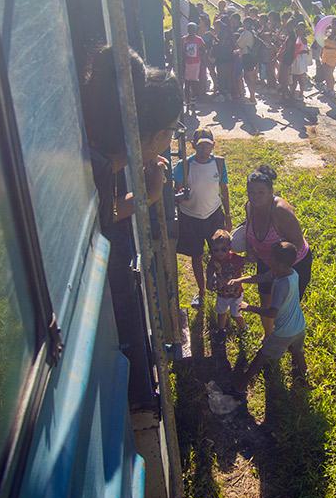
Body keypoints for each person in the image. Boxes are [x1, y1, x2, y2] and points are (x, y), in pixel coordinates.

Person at [80, 45, 182, 226]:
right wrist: (149, 196)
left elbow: (103, 211)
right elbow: (93, 221)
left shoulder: (95, 156)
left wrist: (147, 194)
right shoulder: (92, 174)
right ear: (156, 137)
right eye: (175, 130)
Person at [228, 241, 307, 394]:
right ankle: (304, 376)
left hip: (284, 331)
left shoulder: (282, 285)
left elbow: (272, 313)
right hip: (299, 325)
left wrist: (248, 307)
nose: (268, 259)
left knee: (262, 355)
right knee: (297, 351)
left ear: (277, 263)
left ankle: (241, 385)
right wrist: (239, 280)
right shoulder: (291, 273)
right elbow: (262, 277)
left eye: (271, 258)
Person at [244, 164, 312, 336]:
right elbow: (248, 232)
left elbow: (297, 243)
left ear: (270, 192)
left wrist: (280, 269)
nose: (255, 197)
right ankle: (269, 336)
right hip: (267, 261)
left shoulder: (281, 211)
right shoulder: (249, 206)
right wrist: (249, 250)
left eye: (261, 192)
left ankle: (290, 338)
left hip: (293, 264)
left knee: (284, 307)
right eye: (251, 192)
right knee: (265, 301)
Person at [173, 127, 231, 308]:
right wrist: (181, 195)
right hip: (190, 218)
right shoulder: (184, 165)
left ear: (213, 145)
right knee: (196, 255)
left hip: (214, 215)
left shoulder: (219, 164)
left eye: (207, 146)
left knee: (219, 252)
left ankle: (223, 287)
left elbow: (224, 189)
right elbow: (178, 191)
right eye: (200, 146)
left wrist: (228, 215)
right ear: (192, 145)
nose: (204, 150)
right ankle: (201, 291)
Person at [206, 228, 247, 344]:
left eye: (223, 249)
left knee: (235, 314)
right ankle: (221, 330)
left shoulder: (235, 259)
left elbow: (248, 260)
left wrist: (252, 252)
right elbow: (210, 268)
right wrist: (209, 279)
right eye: (216, 250)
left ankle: (243, 328)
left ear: (229, 247)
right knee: (221, 312)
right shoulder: (214, 259)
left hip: (235, 293)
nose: (219, 253)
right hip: (222, 292)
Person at [182, 22, 205, 111]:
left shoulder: (199, 40)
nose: (191, 32)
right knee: (187, 83)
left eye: (193, 30)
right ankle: (188, 100)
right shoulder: (184, 39)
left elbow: (203, 49)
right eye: (190, 30)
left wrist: (202, 60)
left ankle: (193, 98)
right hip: (187, 64)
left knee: (195, 82)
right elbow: (181, 51)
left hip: (196, 63)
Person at [320, 16, 336, 97]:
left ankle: (332, 89)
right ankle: (328, 87)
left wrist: (335, 44)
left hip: (332, 54)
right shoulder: (328, 31)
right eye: (333, 22)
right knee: (325, 71)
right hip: (325, 52)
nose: (334, 24)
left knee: (330, 72)